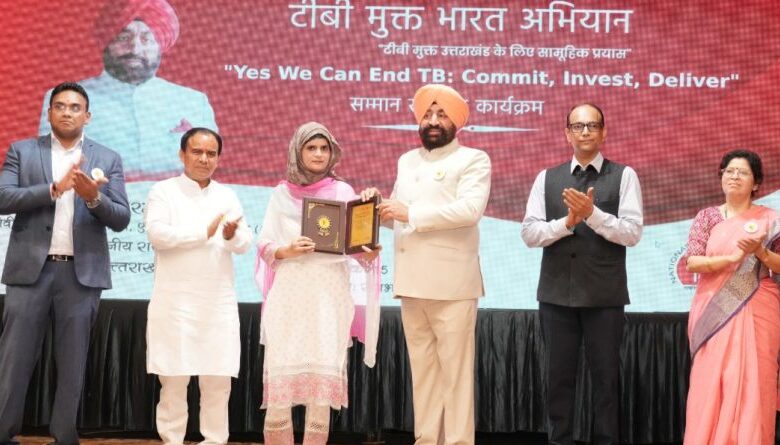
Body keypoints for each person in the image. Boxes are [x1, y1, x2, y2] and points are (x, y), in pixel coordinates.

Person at [0, 81, 130, 445]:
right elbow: (3, 197)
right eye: (60, 106)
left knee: (72, 364)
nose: (67, 112)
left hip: (80, 275)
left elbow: (122, 218)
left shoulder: (108, 158)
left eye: (75, 107)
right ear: (49, 113)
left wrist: (93, 198)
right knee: (14, 361)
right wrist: (54, 189)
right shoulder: (23, 151)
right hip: (30, 272)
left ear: (87, 116)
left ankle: (65, 436)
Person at [362, 84, 491, 445]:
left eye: (441, 114)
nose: (433, 121)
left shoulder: (473, 159)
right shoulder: (407, 160)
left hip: (452, 286)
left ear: (456, 122)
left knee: (456, 376)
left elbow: (469, 211)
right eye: (427, 115)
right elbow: (399, 217)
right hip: (411, 283)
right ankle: (426, 439)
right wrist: (375, 207)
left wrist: (409, 212)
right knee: (424, 374)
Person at [521, 103, 643, 445]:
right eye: (577, 126)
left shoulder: (625, 175)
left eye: (592, 125)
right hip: (556, 294)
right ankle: (559, 440)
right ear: (567, 133)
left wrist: (593, 215)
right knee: (558, 379)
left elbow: (632, 233)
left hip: (604, 295)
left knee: (606, 380)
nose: (585, 131)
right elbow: (529, 233)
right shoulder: (546, 177)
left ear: (604, 132)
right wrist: (567, 222)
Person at [256, 122, 381, 445]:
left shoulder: (343, 192)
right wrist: (288, 250)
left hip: (329, 293)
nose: (318, 154)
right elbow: (265, 244)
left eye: (324, 148)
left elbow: (359, 249)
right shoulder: (281, 193)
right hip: (290, 291)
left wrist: (370, 230)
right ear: (297, 152)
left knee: (321, 381)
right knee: (282, 373)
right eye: (311, 148)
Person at [144, 128, 251, 445]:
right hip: (175, 302)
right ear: (182, 155)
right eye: (197, 152)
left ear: (218, 158)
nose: (204, 159)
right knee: (173, 380)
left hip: (217, 302)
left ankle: (215, 440)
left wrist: (230, 235)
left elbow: (244, 243)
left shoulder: (226, 195)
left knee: (217, 381)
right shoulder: (163, 191)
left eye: (211, 153)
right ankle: (172, 439)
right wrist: (203, 233)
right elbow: (158, 236)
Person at [38, 0, 218, 176]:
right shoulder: (66, 99)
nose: (135, 49)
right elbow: (55, 170)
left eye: (147, 39)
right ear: (107, 43)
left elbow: (204, 171)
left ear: (160, 47)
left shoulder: (194, 102)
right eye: (124, 38)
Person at [683, 149, 780, 445]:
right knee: (710, 381)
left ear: (756, 183)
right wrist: (732, 258)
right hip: (712, 308)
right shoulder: (707, 217)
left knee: (754, 381)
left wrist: (760, 252)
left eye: (743, 172)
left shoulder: (771, 220)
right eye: (729, 171)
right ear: (721, 176)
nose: (734, 176)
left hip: (758, 305)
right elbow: (693, 262)